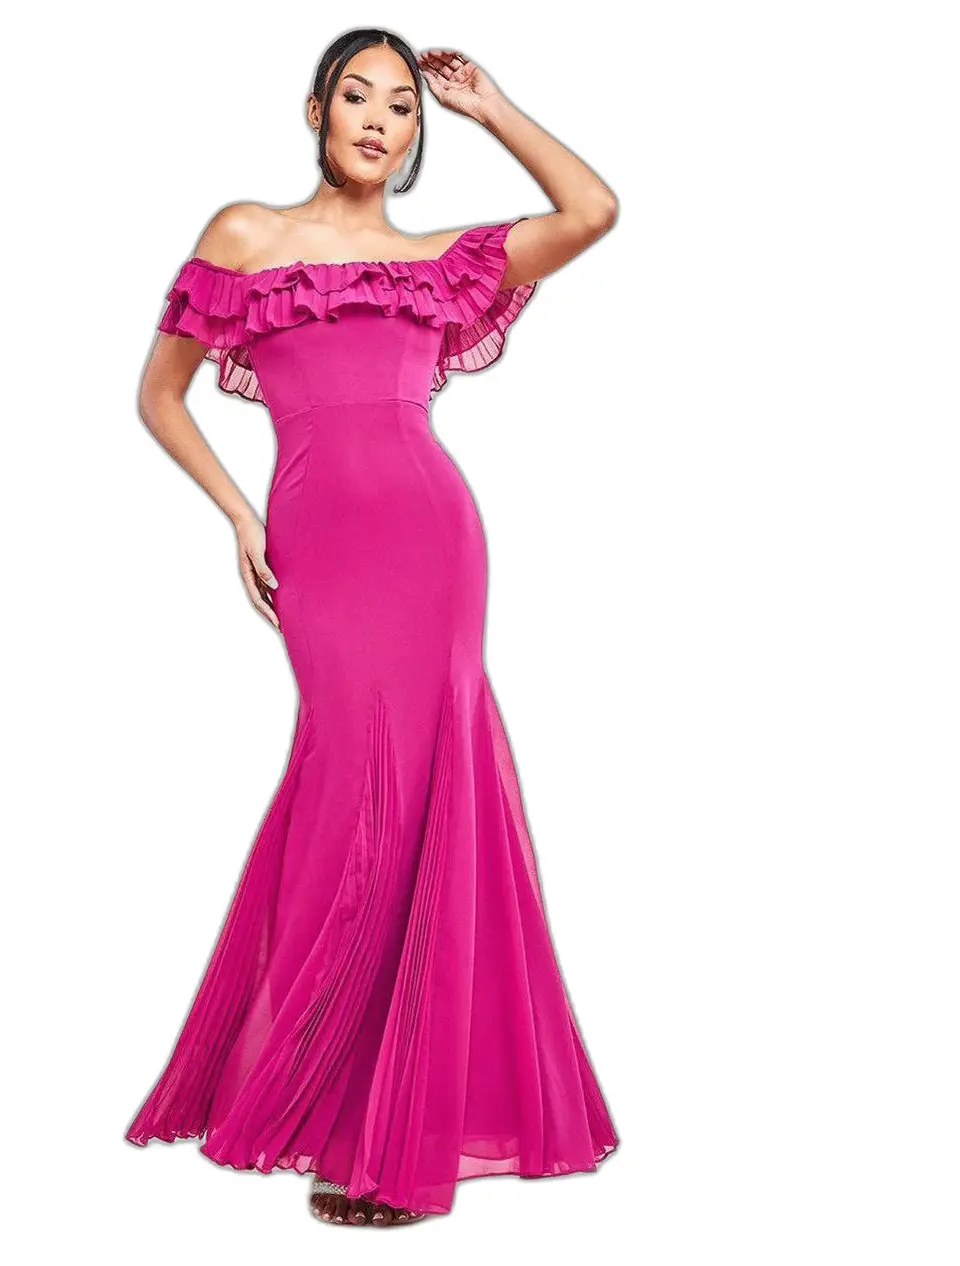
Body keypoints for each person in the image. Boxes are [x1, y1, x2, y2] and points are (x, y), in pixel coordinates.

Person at [126, 29, 620, 1227]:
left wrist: (493, 107)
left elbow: (594, 211)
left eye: (402, 107)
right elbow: (159, 394)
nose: (379, 120)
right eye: (357, 96)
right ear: (316, 110)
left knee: (427, 800)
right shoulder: (246, 235)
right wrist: (239, 515)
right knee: (351, 794)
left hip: (433, 540)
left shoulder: (436, 261)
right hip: (320, 546)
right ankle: (326, 1105)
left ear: (414, 135)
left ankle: (388, 1141)